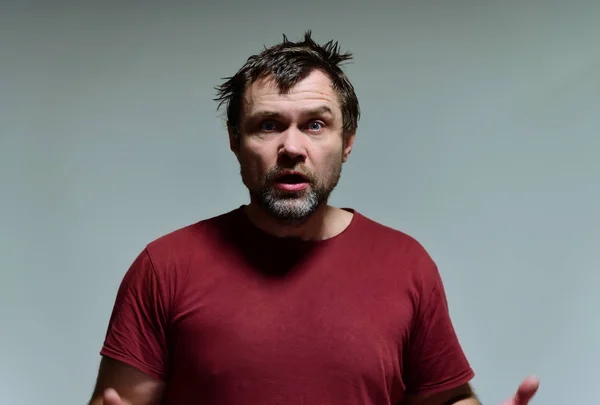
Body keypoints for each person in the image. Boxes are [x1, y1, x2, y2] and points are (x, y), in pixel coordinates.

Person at [88, 31, 540, 405]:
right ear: (234, 141)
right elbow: (121, 399)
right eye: (268, 125)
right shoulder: (165, 267)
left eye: (315, 124)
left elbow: (446, 399)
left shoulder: (406, 264)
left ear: (347, 142)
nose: (292, 147)